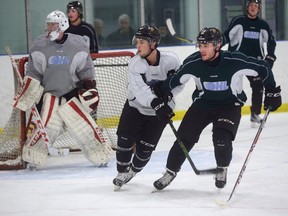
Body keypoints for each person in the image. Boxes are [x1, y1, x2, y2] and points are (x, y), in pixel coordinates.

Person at [152, 27, 281, 191]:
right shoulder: (193, 63)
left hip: (229, 106)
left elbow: (263, 67)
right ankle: (169, 173)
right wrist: (160, 95)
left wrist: (272, 90)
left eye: (206, 45)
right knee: (183, 139)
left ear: (218, 45)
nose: (202, 49)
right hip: (202, 105)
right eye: (200, 45)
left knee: (221, 139)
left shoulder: (235, 61)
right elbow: (174, 81)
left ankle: (222, 169)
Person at [12, 10, 112, 168]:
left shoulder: (77, 43)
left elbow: (85, 70)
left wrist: (88, 85)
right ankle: (33, 156)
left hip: (71, 92)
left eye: (53, 24)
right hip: (49, 94)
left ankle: (101, 155)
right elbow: (34, 72)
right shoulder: (40, 45)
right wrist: (30, 86)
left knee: (84, 127)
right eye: (48, 25)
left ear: (63, 25)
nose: (50, 28)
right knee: (49, 126)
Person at [112, 24, 183, 191]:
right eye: (137, 42)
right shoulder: (135, 63)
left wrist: (169, 95)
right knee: (124, 139)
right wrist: (156, 102)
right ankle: (122, 171)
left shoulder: (170, 60)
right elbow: (140, 90)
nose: (138, 46)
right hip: (135, 106)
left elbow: (180, 82)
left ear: (153, 43)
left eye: (142, 42)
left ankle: (133, 171)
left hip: (158, 113)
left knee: (145, 150)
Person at [222, 0, 277, 128]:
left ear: (258, 9)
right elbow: (227, 36)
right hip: (236, 60)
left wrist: (270, 55)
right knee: (232, 88)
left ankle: (255, 114)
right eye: (251, 5)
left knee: (258, 86)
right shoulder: (238, 21)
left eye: (256, 6)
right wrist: (217, 44)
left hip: (254, 62)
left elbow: (271, 41)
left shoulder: (263, 24)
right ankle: (227, 114)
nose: (253, 7)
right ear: (247, 8)